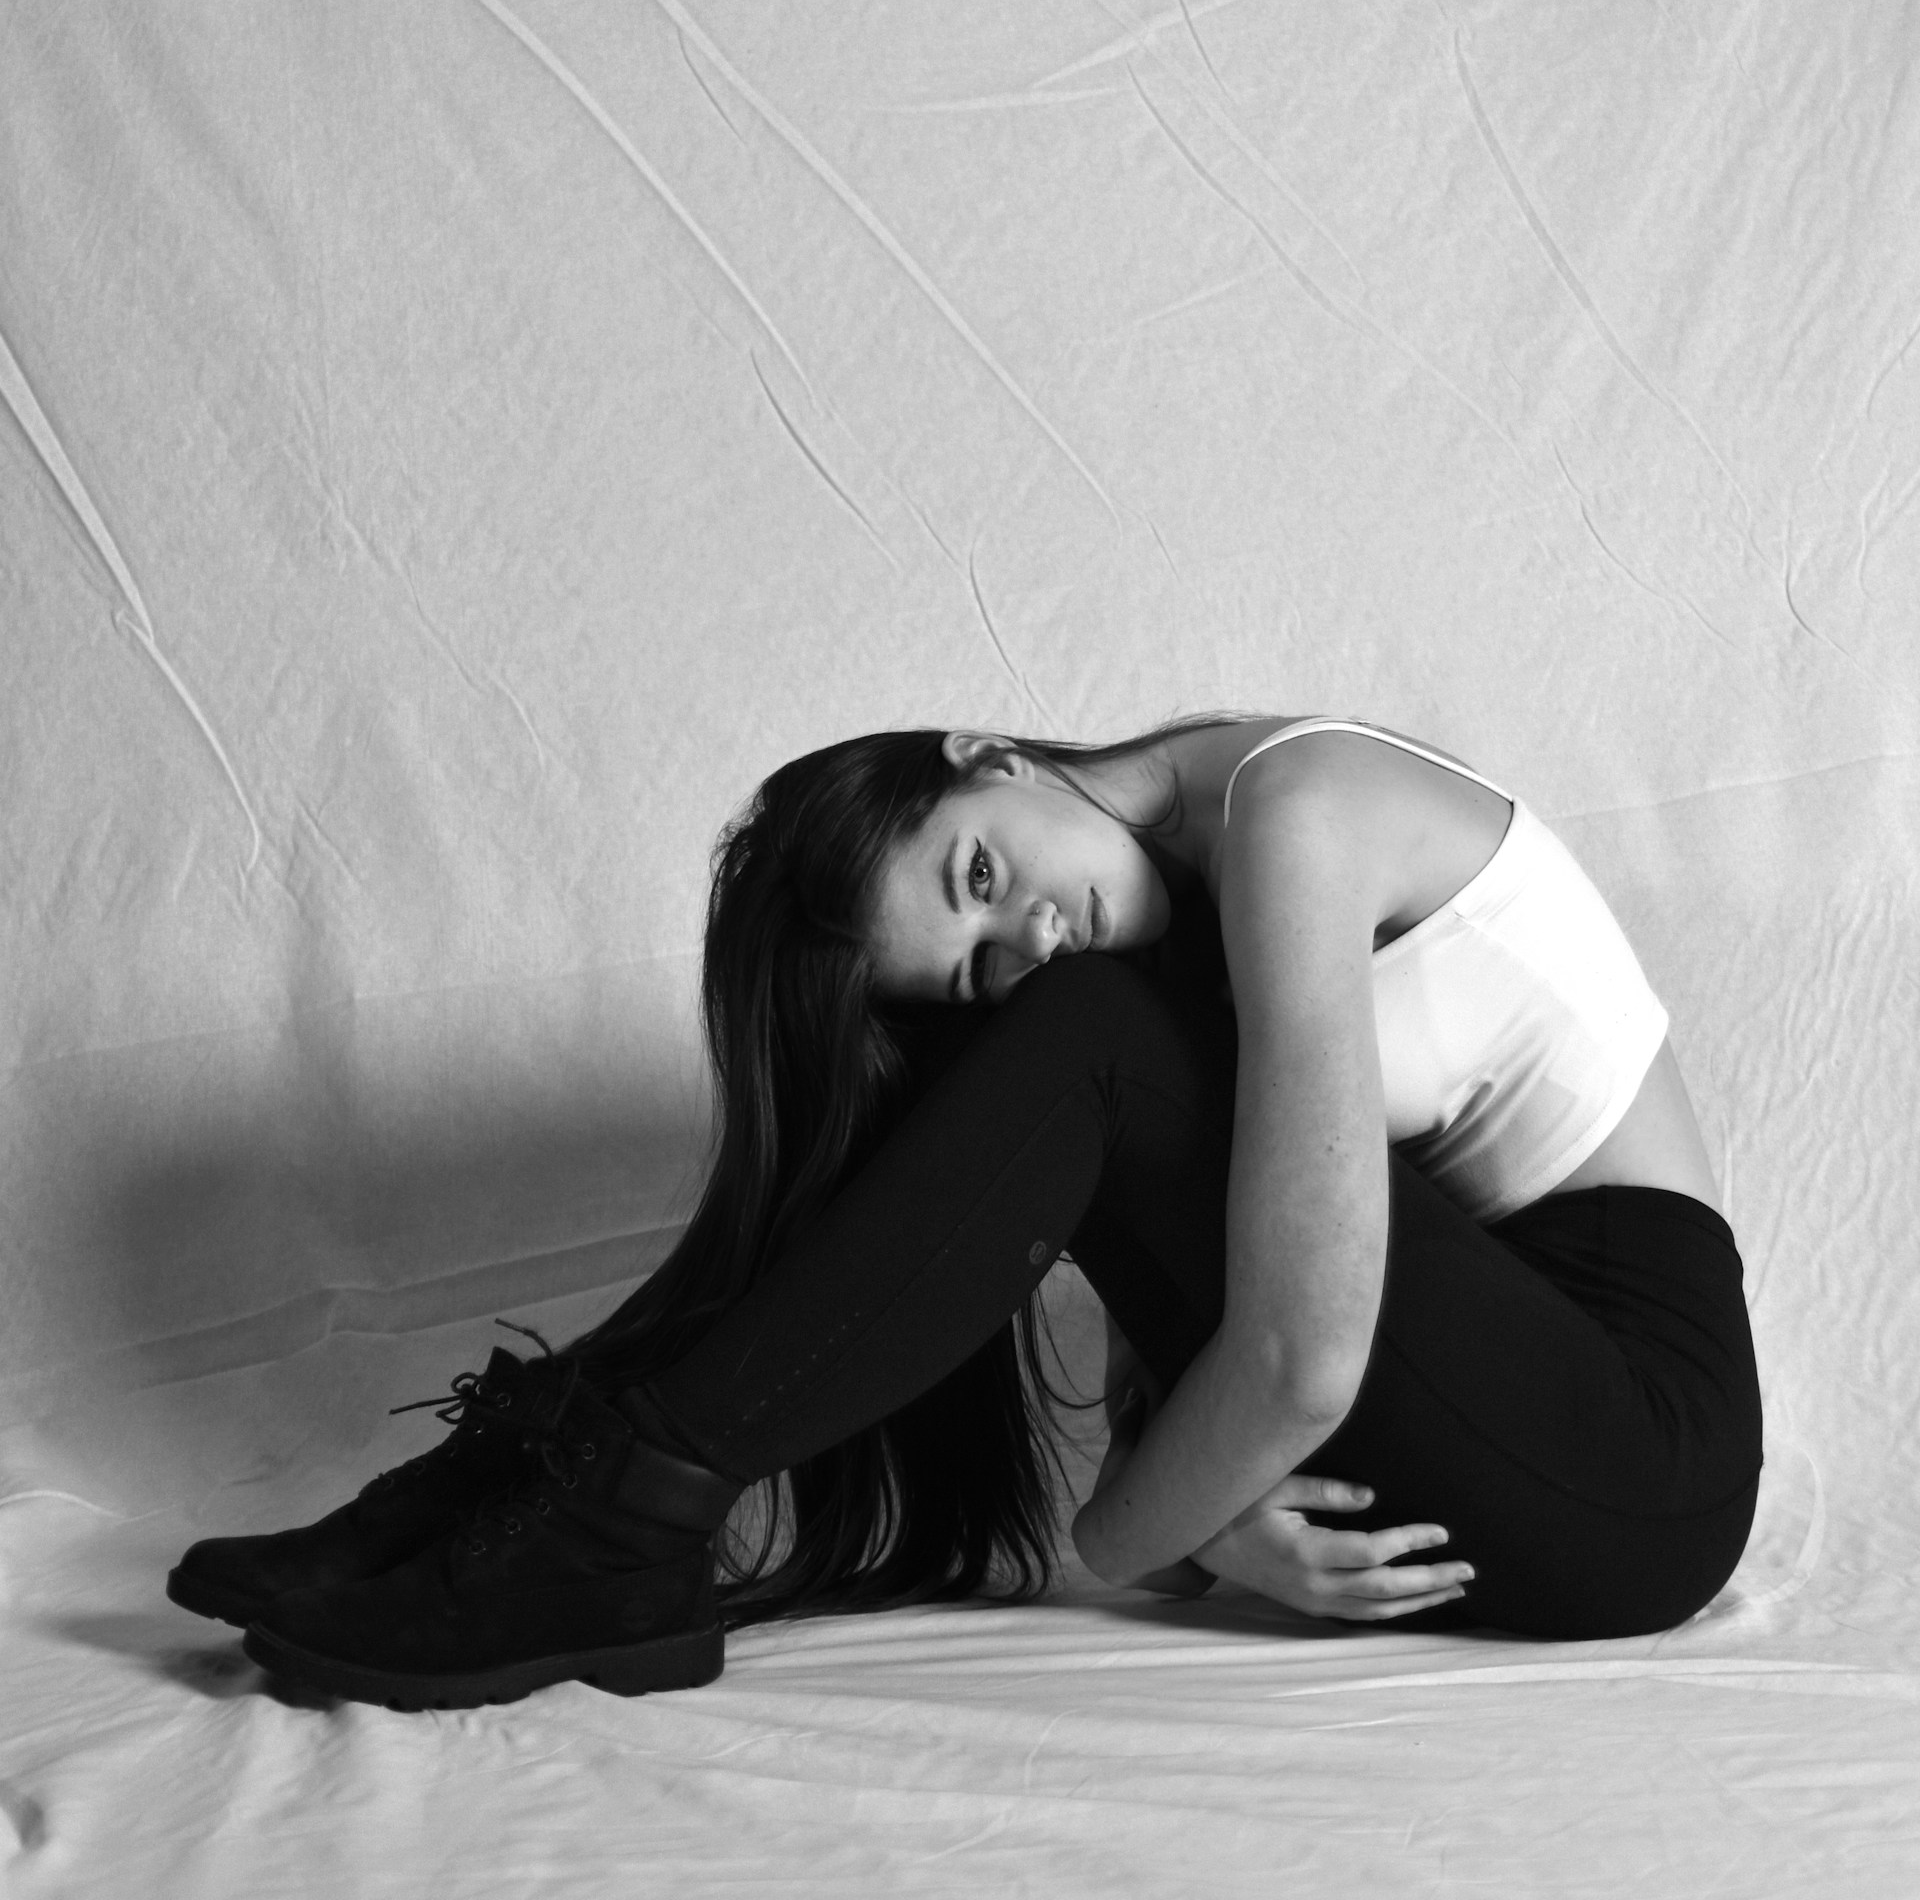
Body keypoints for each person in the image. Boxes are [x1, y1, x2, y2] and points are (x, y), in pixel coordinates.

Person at [168, 714, 1763, 1710]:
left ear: (988, 753)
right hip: (1508, 1387)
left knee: (1077, 1041)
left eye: (980, 872)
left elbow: (1299, 1361)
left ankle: (620, 1507)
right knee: (1060, 1040)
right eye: (974, 951)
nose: (1028, 932)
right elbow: (1227, 1351)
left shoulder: (1297, 813)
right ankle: (531, 1475)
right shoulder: (1155, 943)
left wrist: (1143, 1525)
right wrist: (1190, 1497)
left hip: (1637, 1450)